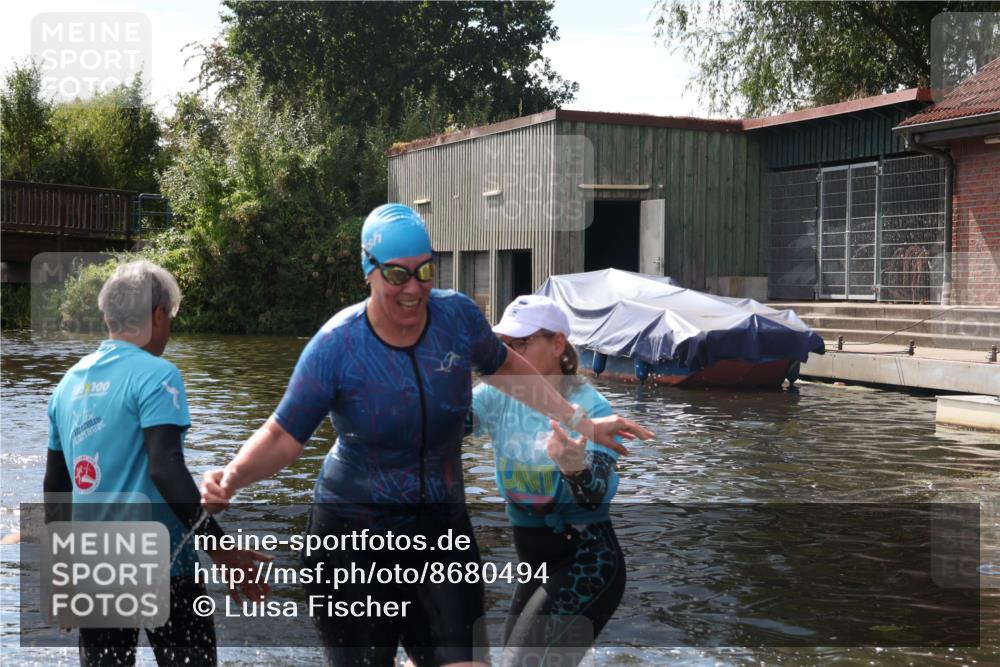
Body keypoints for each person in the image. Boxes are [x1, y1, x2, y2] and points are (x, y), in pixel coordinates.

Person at [199, 203, 653, 667]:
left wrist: (583, 423)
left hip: (441, 537)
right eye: (398, 275)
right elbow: (283, 433)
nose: (414, 288)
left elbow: (505, 367)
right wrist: (232, 476)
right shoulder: (337, 346)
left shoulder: (456, 319)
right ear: (369, 271)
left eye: (425, 271)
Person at [44, 261, 270, 667]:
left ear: (108, 317)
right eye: (171, 317)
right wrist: (221, 549)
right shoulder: (157, 376)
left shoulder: (68, 385)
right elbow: (165, 469)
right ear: (158, 315)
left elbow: (55, 485)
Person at [470, 295, 627, 667]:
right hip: (534, 567)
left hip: (587, 564)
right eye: (504, 345)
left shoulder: (594, 410)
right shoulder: (495, 396)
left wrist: (575, 468)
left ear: (558, 344)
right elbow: (440, 425)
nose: (508, 355)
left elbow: (594, 499)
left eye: (520, 344)